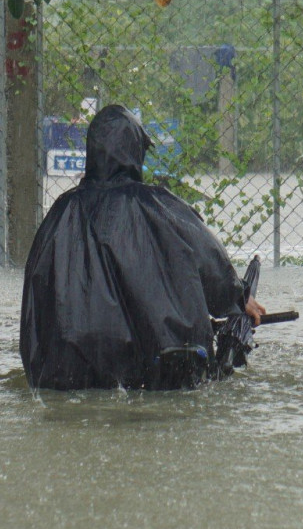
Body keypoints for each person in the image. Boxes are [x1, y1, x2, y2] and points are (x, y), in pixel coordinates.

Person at [20, 105, 264, 390]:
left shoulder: (60, 212)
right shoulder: (158, 205)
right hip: (146, 372)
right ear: (135, 153)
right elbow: (208, 260)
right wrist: (238, 296)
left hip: (64, 373)